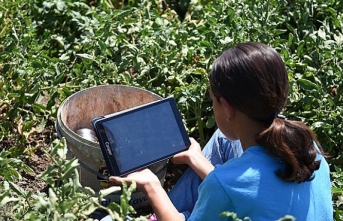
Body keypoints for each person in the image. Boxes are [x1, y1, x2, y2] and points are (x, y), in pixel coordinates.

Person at [109, 42, 333, 221]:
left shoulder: (224, 184)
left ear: (226, 108)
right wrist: (197, 160)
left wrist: (151, 185)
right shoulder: (310, 150)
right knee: (222, 139)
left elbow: (233, 188)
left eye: (213, 101)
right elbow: (250, 191)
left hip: (221, 192)